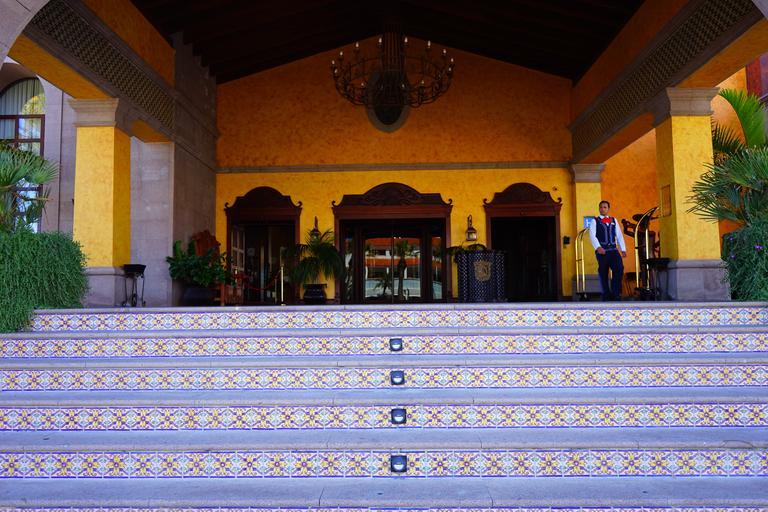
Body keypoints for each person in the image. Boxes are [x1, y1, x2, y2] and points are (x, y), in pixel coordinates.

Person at [588, 200, 627, 301]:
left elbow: (619, 235)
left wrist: (623, 249)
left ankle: (615, 293)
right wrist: (598, 247)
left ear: (608, 209)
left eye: (605, 207)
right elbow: (592, 235)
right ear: (599, 208)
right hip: (602, 251)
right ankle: (606, 295)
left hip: (613, 250)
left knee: (619, 269)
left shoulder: (614, 220)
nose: (603, 209)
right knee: (603, 273)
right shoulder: (595, 221)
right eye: (601, 207)